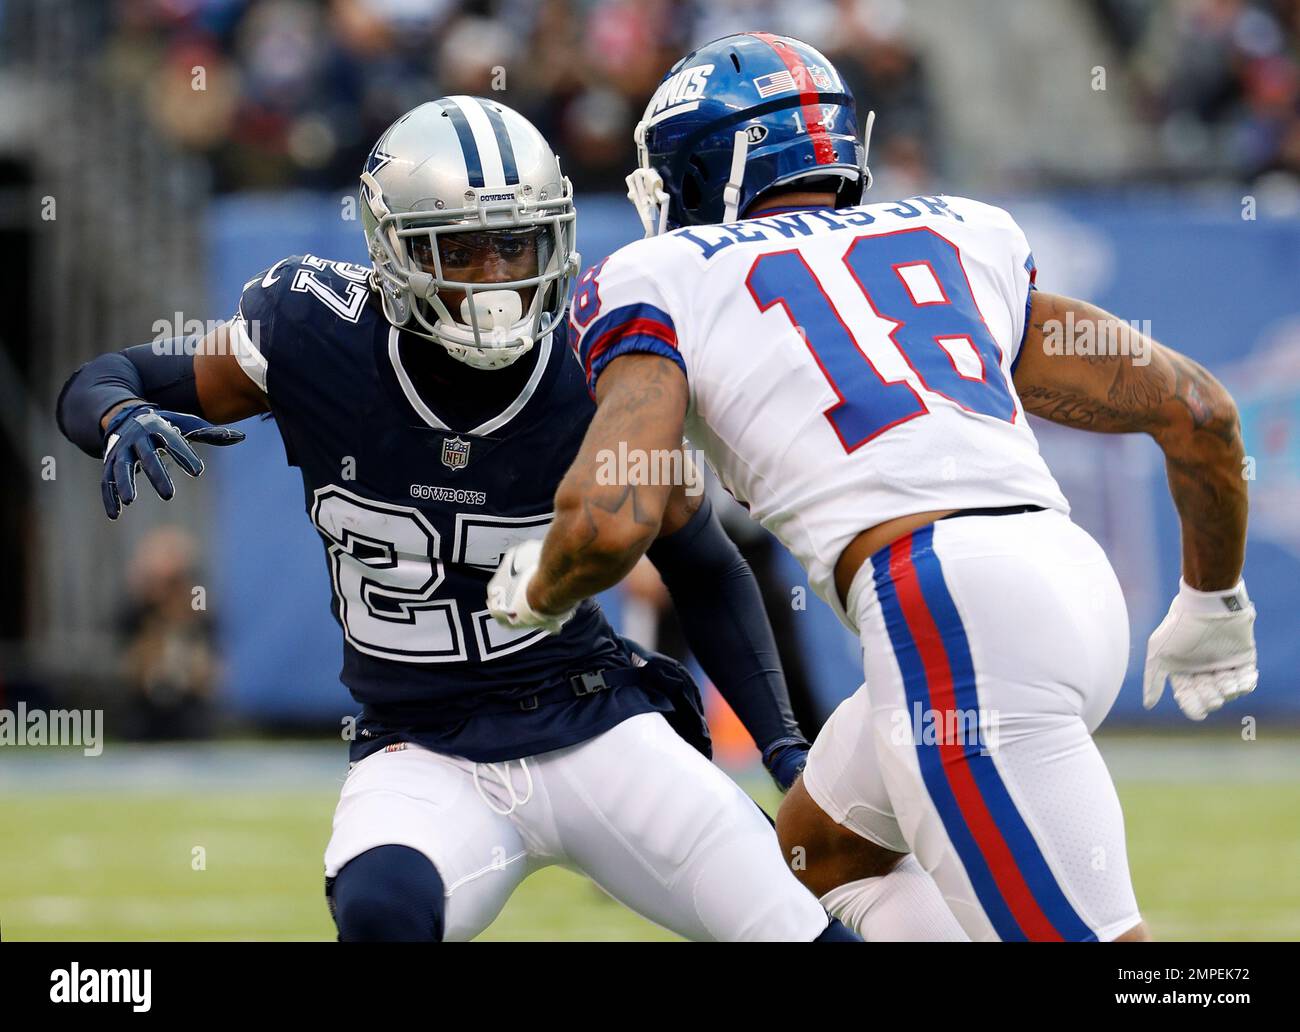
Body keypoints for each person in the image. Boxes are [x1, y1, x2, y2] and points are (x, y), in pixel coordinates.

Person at [487, 33, 1259, 942]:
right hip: (1061, 581)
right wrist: (1216, 599)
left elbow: (612, 521)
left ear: (698, 172)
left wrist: (536, 590)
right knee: (812, 859)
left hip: (950, 611)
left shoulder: (660, 275)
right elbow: (1201, 413)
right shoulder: (954, 233)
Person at [56, 97, 857, 942]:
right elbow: (102, 378)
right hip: (423, 747)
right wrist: (120, 416)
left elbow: (704, 562)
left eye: (517, 243)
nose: (497, 277)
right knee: (381, 914)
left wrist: (785, 754)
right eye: (463, 249)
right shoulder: (313, 334)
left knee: (799, 931)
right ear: (391, 252)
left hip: (594, 725)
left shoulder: (597, 356)